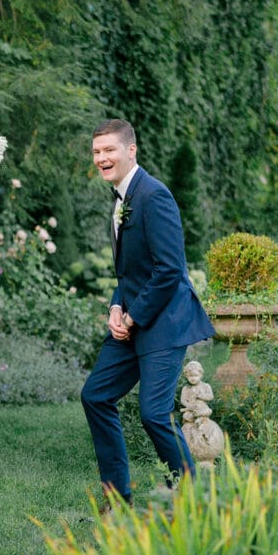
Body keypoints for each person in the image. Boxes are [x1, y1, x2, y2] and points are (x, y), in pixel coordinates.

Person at [80, 118, 214, 507]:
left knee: (154, 414)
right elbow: (129, 271)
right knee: (95, 396)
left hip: (164, 321)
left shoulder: (154, 195)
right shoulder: (121, 197)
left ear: (130, 150)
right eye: (96, 152)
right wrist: (117, 306)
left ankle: (191, 499)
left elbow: (170, 269)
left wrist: (133, 317)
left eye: (109, 150)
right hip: (132, 317)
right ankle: (117, 498)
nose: (102, 158)